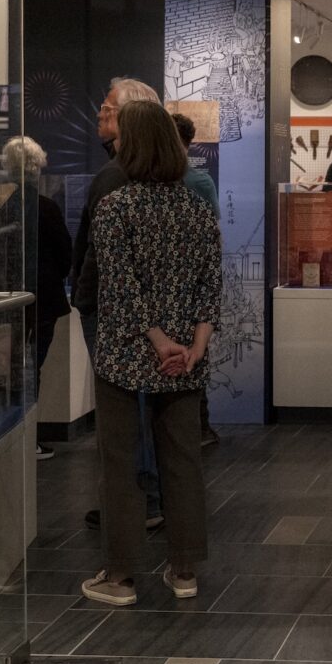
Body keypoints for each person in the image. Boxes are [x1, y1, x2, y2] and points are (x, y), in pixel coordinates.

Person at [81, 99, 222, 607]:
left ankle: (119, 578)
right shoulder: (196, 207)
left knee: (119, 462)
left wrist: (157, 339)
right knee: (182, 461)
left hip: (126, 352)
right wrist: (193, 345)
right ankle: (183, 570)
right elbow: (211, 283)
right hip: (185, 357)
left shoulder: (116, 207)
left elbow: (120, 288)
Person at [73, 77, 170, 530]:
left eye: (109, 110)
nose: (100, 115)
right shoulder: (158, 180)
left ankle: (138, 497)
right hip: (136, 311)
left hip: (116, 312)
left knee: (124, 411)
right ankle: (141, 495)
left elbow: (105, 258)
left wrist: (87, 297)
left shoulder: (115, 180)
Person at [0, 136, 74, 458]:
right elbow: (66, 254)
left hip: (7, 297)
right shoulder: (45, 208)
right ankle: (27, 439)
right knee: (32, 367)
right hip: (41, 299)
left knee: (11, 368)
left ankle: (11, 436)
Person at [173, 113, 222, 448]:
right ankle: (198, 425)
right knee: (195, 349)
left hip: (184, 281)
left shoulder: (197, 182)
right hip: (191, 281)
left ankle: (196, 424)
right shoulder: (200, 181)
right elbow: (214, 233)